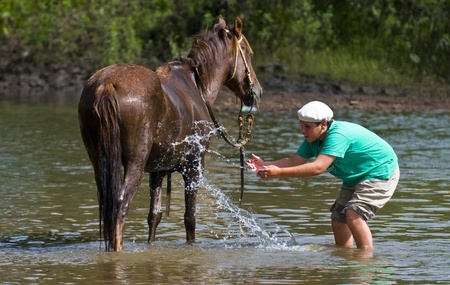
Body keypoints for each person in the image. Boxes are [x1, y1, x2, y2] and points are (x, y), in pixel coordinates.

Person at [247, 101, 399, 250]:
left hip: (380, 172)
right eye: (301, 125)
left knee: (353, 213)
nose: (302, 131)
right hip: (355, 177)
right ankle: (344, 256)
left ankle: (365, 260)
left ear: (324, 124)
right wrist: (265, 165)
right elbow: (294, 161)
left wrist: (278, 173)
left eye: (307, 126)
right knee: (338, 219)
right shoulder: (312, 139)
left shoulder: (338, 135)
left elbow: (318, 168)